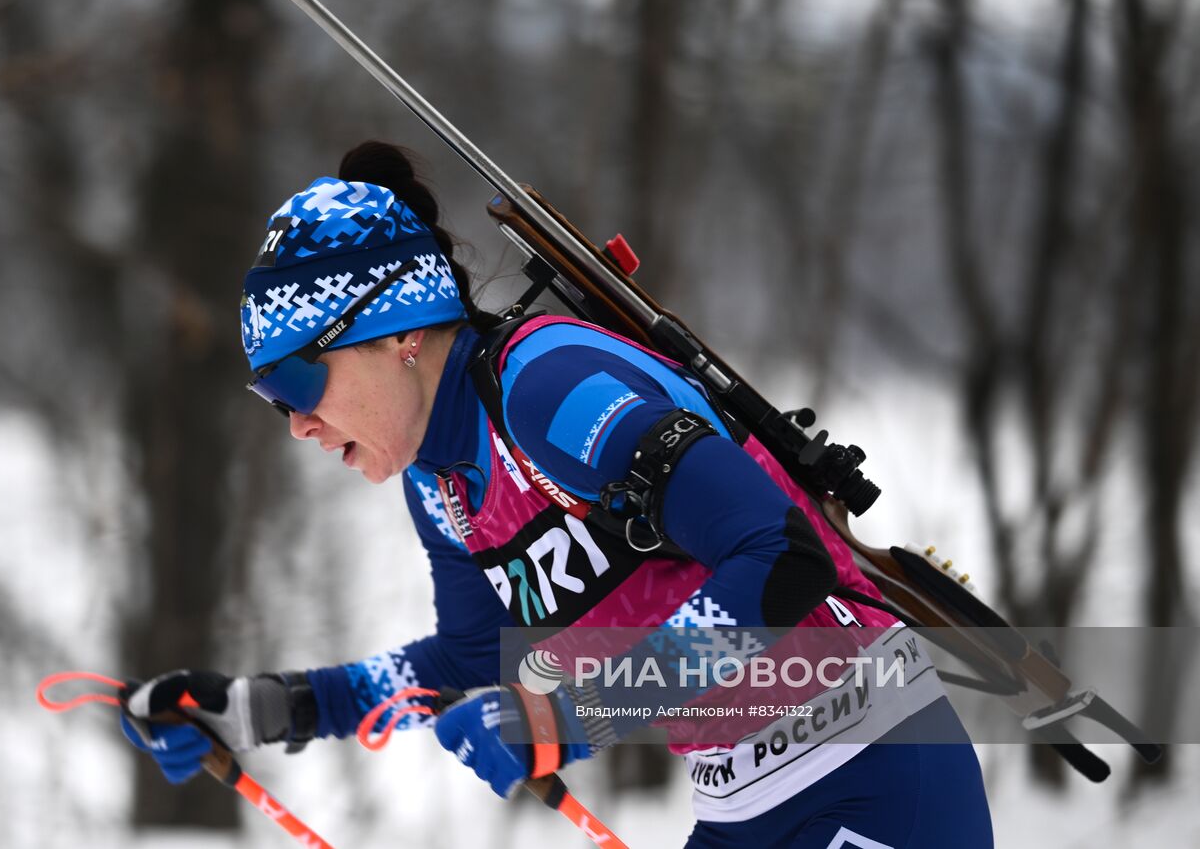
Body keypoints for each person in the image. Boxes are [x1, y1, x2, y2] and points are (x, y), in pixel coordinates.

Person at [120, 141, 994, 847]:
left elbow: (780, 555)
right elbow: (476, 660)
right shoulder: (442, 484)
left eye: (299, 384)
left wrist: (574, 716)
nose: (296, 425)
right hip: (744, 801)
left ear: (398, 337)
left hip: (871, 757)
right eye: (270, 398)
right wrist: (263, 708)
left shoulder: (548, 386)